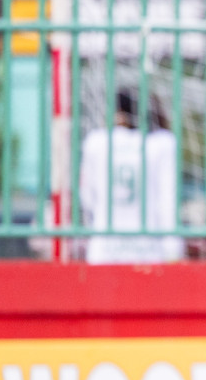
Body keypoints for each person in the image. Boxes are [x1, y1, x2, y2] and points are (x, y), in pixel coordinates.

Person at [78, 91, 184, 264]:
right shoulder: (163, 143)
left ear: (118, 113)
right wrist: (173, 247)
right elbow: (168, 200)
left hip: (104, 246)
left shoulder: (96, 142)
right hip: (149, 247)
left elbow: (87, 197)